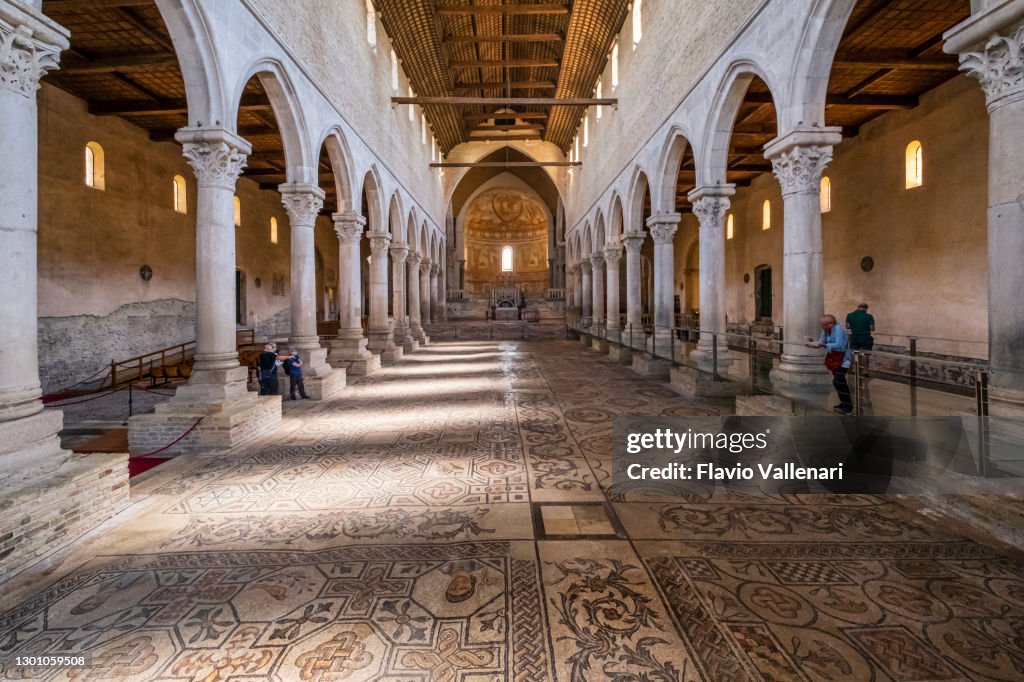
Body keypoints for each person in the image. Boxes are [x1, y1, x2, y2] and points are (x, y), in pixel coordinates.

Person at [807, 314, 853, 414]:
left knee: (838, 381)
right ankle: (844, 403)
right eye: (821, 324)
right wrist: (813, 344)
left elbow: (839, 345)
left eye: (823, 325)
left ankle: (848, 406)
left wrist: (823, 345)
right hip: (834, 358)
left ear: (831, 324)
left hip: (843, 359)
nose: (821, 327)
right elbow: (822, 341)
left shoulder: (839, 330)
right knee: (840, 382)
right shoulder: (826, 330)